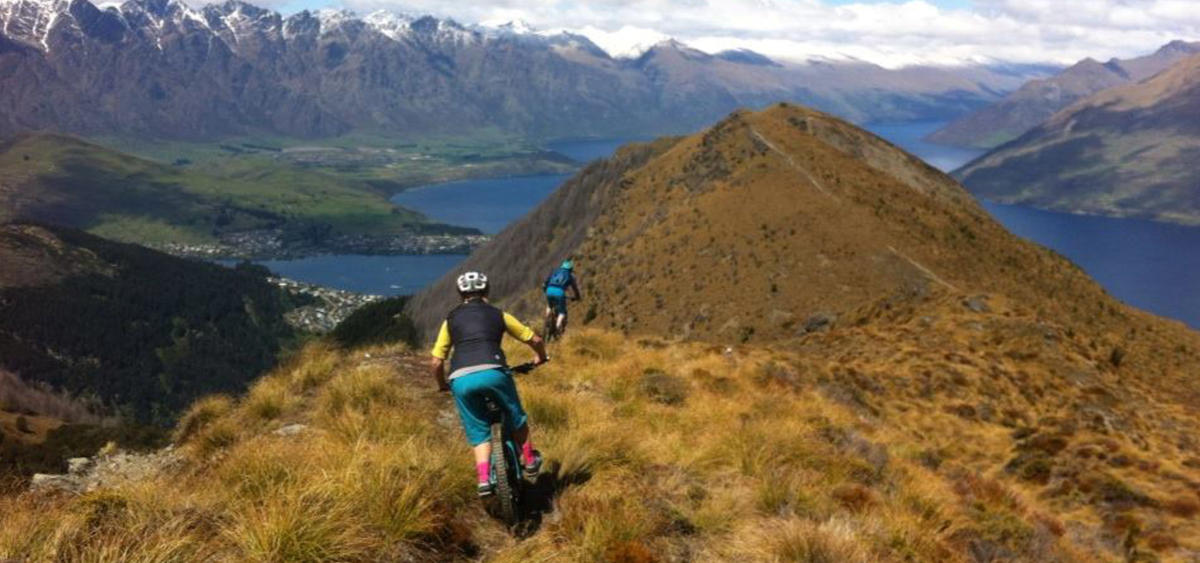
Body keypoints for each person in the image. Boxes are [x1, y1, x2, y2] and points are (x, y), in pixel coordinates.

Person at [430, 271, 550, 498]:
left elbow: (436, 362)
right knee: (516, 417)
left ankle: (484, 479)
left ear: (460, 294)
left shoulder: (451, 320)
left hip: (461, 378)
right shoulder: (499, 315)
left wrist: (442, 384)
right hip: (494, 372)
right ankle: (530, 460)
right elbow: (535, 339)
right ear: (486, 291)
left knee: (479, 430)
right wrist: (540, 357)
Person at [543, 259, 582, 337]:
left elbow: (545, 282)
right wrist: (577, 297)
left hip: (549, 290)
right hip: (559, 293)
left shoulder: (555, 271)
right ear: (570, 269)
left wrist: (545, 290)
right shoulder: (570, 276)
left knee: (549, 305)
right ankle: (557, 328)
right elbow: (575, 288)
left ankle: (547, 319)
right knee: (562, 312)